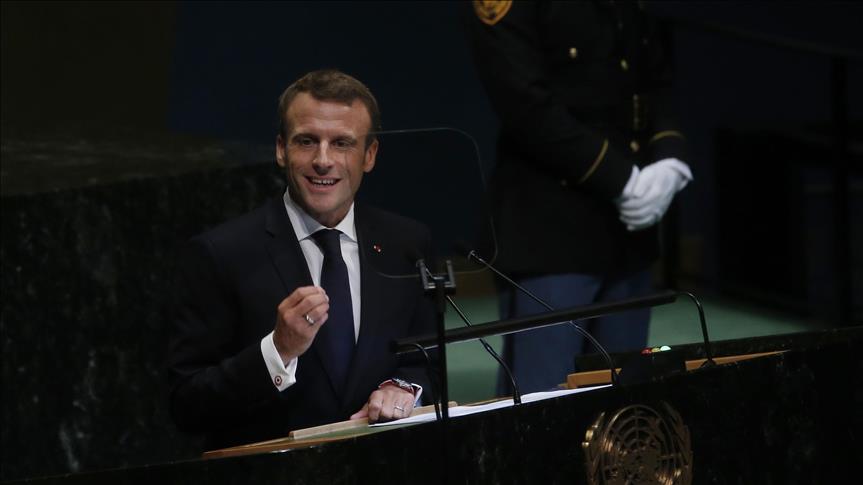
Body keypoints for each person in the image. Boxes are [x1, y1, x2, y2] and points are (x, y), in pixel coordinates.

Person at [167, 69, 436, 450]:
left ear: (370, 155)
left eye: (342, 143)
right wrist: (277, 351)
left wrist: (404, 387)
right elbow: (186, 404)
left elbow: (428, 359)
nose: (323, 160)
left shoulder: (407, 244)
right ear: (281, 149)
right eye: (307, 141)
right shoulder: (221, 253)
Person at [466, 1, 693, 394]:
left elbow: (653, 80)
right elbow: (526, 106)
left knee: (626, 398)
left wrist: (670, 158)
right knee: (543, 400)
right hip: (553, 231)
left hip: (629, 230)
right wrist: (622, 180)